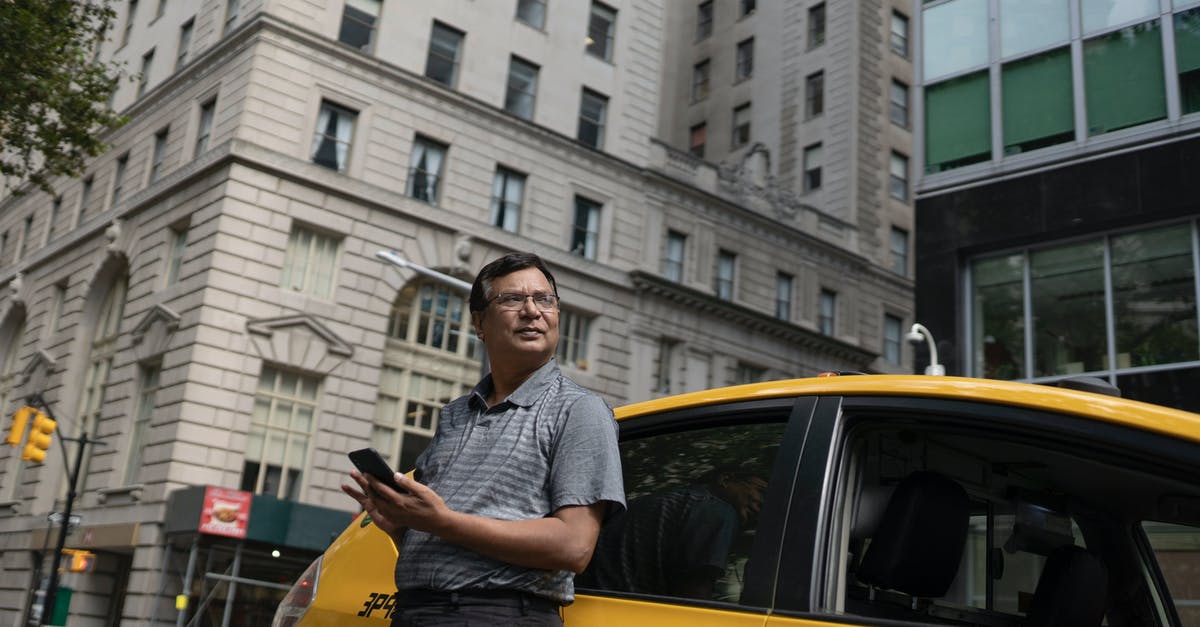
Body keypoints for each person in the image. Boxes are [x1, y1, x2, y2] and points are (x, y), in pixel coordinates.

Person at [342, 251, 625, 627]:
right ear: (479, 323)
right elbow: (447, 526)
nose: (532, 311)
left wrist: (442, 523)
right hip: (415, 611)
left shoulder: (580, 410)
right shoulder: (455, 414)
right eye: (511, 299)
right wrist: (402, 526)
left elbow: (574, 546)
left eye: (544, 299)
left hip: (499, 615)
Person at [579, 467, 767, 600]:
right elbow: (695, 597)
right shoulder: (717, 510)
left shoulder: (669, 501)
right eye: (760, 491)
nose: (761, 504)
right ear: (726, 479)